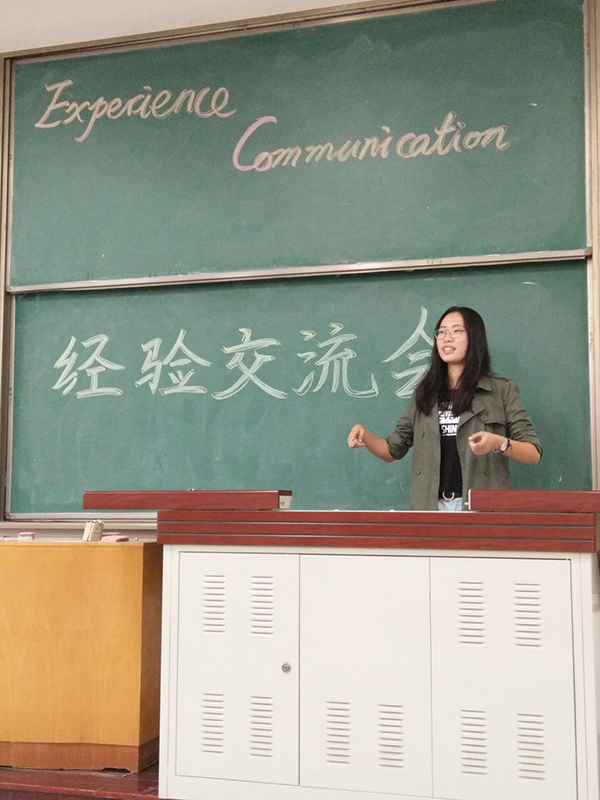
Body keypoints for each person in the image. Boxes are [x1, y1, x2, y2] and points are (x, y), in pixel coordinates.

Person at [347, 306, 541, 511]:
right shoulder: (425, 392)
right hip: (429, 508)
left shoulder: (501, 389)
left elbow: (533, 453)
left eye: (456, 331)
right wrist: (365, 436)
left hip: (480, 509)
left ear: (474, 337)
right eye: (441, 332)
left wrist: (498, 443)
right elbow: (392, 450)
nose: (446, 338)